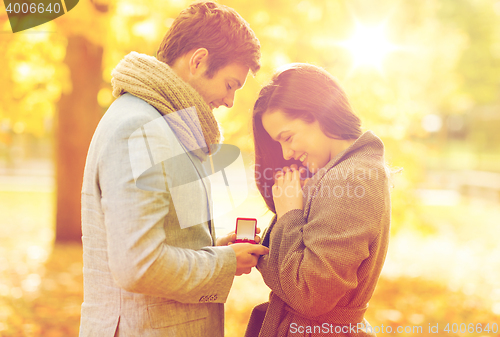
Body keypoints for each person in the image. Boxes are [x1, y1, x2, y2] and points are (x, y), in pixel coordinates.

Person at [79, 2, 269, 336]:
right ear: (198, 61)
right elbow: (139, 264)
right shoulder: (140, 127)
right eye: (230, 85)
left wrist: (217, 249)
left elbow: (166, 238)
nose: (229, 102)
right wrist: (223, 263)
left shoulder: (164, 124)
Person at [245, 63, 391, 337]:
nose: (286, 153)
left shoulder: (351, 178)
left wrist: (289, 216)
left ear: (318, 113)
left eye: (287, 137)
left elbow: (309, 295)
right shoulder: (336, 173)